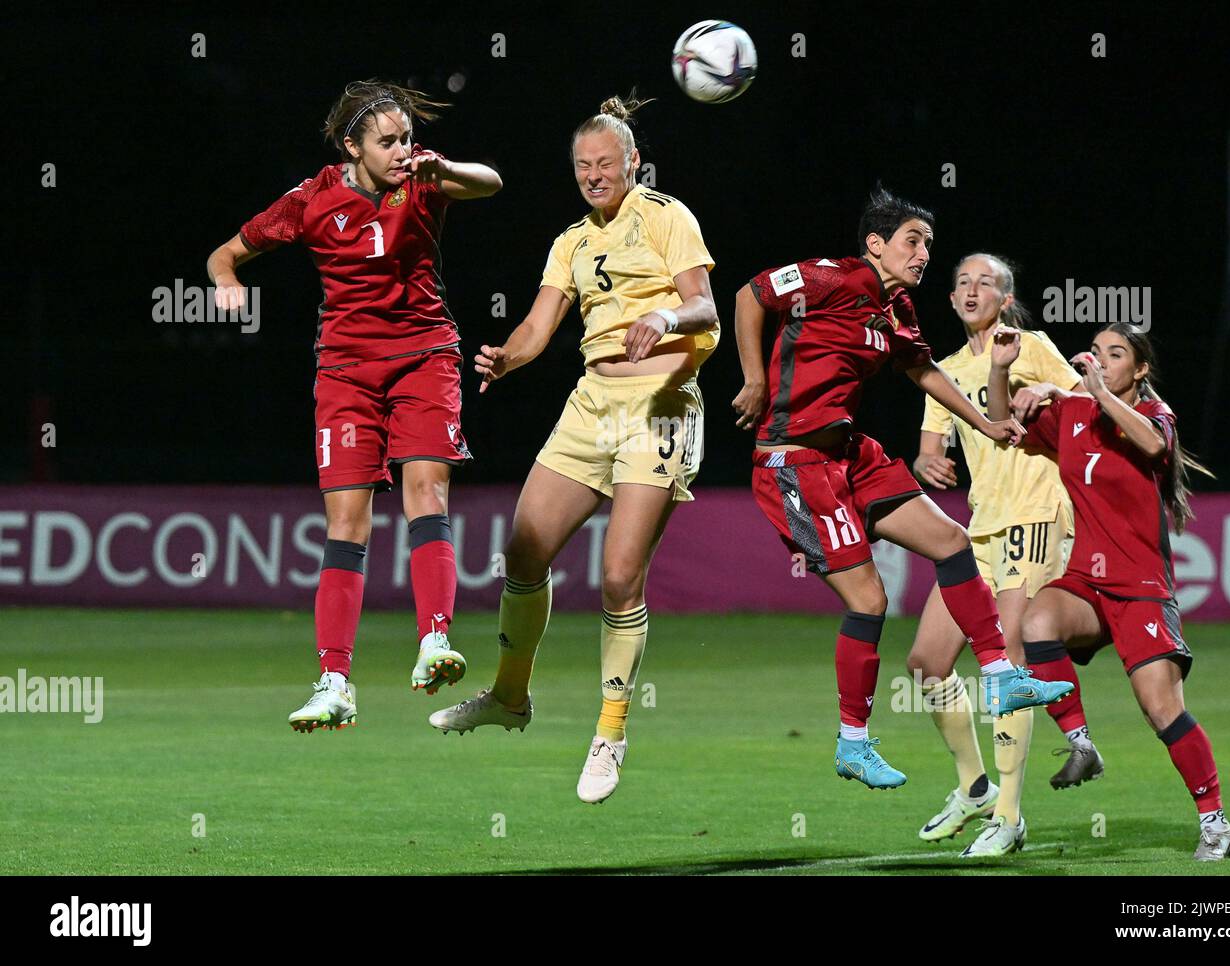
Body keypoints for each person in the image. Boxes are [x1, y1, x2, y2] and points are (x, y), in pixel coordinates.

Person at [731, 186, 1075, 793]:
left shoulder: (899, 311)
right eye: (913, 242)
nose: (923, 255)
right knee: (869, 601)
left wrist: (986, 423)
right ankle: (853, 742)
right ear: (875, 244)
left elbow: (920, 370)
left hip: (848, 450)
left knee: (951, 542)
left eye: (928, 245)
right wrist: (755, 380)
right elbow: (748, 295)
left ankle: (999, 671)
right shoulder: (829, 277)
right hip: (795, 460)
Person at [427, 95, 718, 805]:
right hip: (591, 405)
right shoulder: (572, 241)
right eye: (582, 165)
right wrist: (506, 360)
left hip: (659, 405)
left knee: (620, 579)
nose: (593, 175)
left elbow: (705, 305)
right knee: (523, 553)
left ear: (633, 164)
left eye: (605, 164)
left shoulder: (667, 216)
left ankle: (611, 732)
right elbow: (536, 327)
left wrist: (662, 314)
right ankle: (509, 696)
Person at [206, 80, 502, 732]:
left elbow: (490, 182)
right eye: (387, 141)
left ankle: (434, 641)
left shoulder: (423, 178)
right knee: (347, 525)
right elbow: (226, 253)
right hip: (346, 375)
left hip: (426, 357)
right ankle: (335, 681)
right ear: (351, 145)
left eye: (406, 138)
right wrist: (227, 283)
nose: (403, 151)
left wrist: (443, 168)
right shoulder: (311, 200)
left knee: (427, 491)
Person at [988, 322, 1230, 861]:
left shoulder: (1154, 416)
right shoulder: (1074, 415)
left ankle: (1215, 822)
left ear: (1140, 370)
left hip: (1141, 588)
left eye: (1116, 354)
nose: (1100, 361)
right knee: (1033, 625)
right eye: (1096, 351)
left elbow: (1151, 444)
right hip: (1085, 582)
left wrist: (1093, 393)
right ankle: (1082, 745)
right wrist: (1003, 369)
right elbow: (1001, 425)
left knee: (1161, 710)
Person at [909, 253, 1098, 857]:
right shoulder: (943, 368)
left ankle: (1010, 818)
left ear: (1006, 297)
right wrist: (926, 461)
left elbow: (1088, 407)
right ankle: (975, 786)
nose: (971, 290)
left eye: (984, 282)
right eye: (962, 281)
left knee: (1008, 665)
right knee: (926, 663)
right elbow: (929, 445)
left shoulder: (1031, 343)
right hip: (981, 527)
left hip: (1037, 516)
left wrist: (1044, 385)